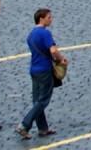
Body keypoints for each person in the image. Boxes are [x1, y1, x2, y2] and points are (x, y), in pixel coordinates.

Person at [18, 8, 61, 140]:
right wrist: (61, 59)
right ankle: (25, 124)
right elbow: (53, 51)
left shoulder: (31, 34)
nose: (51, 19)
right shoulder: (45, 33)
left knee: (37, 100)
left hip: (34, 69)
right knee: (43, 100)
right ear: (41, 18)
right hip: (44, 70)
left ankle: (43, 128)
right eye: (49, 17)